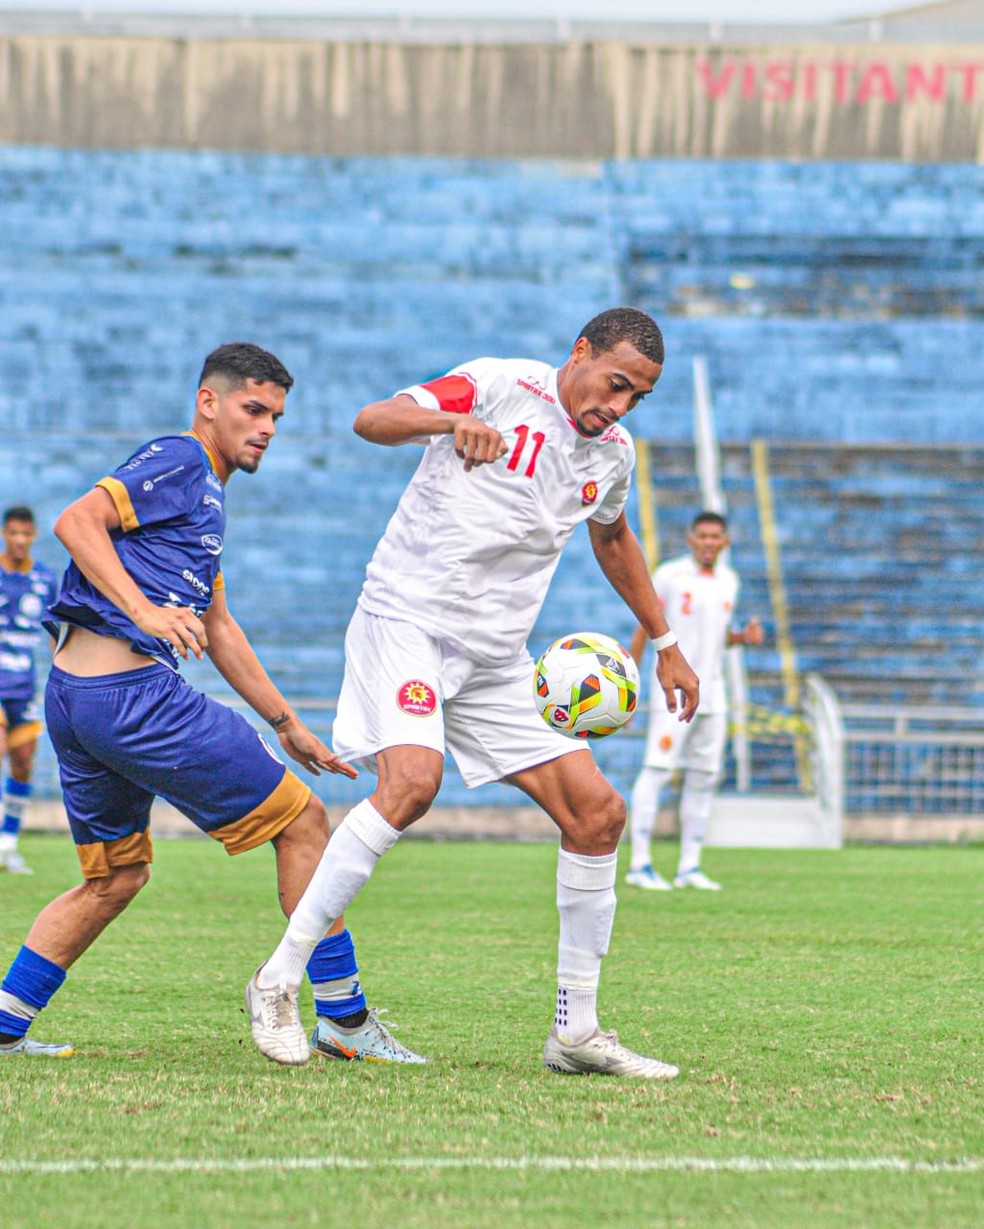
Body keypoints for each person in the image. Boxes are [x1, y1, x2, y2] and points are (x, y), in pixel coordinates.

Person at [253, 307, 700, 1080]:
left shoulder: (613, 453)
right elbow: (373, 419)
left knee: (599, 813)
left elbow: (612, 537)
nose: (620, 406)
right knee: (412, 783)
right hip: (409, 622)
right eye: (616, 384)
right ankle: (278, 981)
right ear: (581, 352)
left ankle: (576, 1031)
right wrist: (446, 420)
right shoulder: (499, 385)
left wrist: (665, 643)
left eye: (638, 397)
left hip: (496, 658)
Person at [0, 343, 424, 1067]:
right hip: (131, 695)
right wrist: (146, 614)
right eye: (253, 409)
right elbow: (77, 520)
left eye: (277, 417)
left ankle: (5, 1022)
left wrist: (287, 725)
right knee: (305, 823)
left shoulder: (205, 505)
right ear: (209, 403)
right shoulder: (182, 459)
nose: (266, 427)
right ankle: (345, 1017)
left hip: (76, 699)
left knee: (115, 876)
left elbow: (220, 626)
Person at [625, 511, 764, 893]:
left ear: (725, 543)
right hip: (673, 692)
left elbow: (716, 637)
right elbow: (644, 625)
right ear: (690, 539)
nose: (708, 542)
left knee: (704, 777)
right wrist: (631, 681)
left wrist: (741, 638)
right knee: (656, 769)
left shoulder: (728, 582)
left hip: (713, 694)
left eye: (715, 537)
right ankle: (640, 863)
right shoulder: (670, 575)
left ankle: (689, 866)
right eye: (701, 536)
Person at [0, 506, 58, 874]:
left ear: (33, 535)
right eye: (13, 533)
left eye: (26, 534)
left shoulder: (44, 578)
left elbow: (53, 634)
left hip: (24, 687)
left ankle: (8, 845)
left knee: (22, 763)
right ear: (5, 534)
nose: (19, 540)